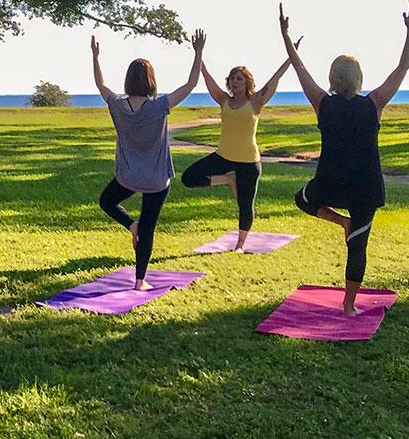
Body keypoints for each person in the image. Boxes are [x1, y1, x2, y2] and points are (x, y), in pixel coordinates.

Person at [280, 0, 409, 315]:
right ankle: (349, 305)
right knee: (358, 245)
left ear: (333, 78)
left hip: (330, 181)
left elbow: (299, 68)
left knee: (303, 200)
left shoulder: (323, 103)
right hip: (365, 185)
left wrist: (286, 36)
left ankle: (343, 223)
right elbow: (403, 69)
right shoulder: (374, 103)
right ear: (358, 78)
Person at [91, 29, 206, 290]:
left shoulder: (118, 105)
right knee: (149, 227)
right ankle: (140, 281)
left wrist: (95, 57)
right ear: (151, 81)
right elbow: (190, 85)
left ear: (128, 80)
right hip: (156, 179)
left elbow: (100, 85)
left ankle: (131, 225)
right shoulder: (159, 105)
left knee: (107, 201)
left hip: (128, 177)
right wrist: (198, 52)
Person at [180, 46, 300, 251]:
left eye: (239, 79)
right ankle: (228, 178)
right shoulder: (224, 100)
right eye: (232, 78)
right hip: (223, 156)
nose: (234, 82)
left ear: (247, 83)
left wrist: (291, 56)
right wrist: (198, 53)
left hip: (248, 161)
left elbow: (274, 81)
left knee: (245, 204)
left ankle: (240, 245)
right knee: (189, 178)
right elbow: (206, 76)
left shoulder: (256, 101)